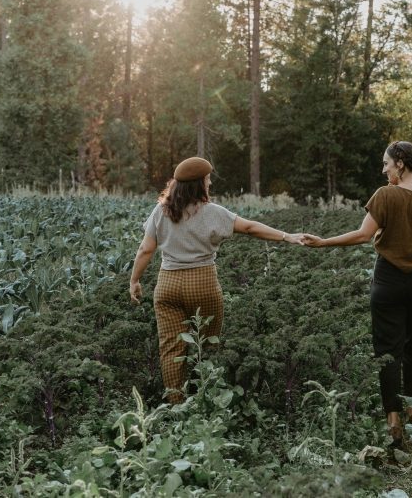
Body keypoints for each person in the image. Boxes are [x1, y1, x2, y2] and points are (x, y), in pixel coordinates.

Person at [303, 141, 412, 447]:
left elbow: (363, 235)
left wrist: (323, 242)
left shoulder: (384, 195)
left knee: (388, 353)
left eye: (386, 163)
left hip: (388, 281)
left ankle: (393, 421)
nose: (383, 170)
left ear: (400, 163)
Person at [130, 157, 305, 404]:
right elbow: (251, 228)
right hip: (202, 283)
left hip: (167, 284)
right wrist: (287, 236)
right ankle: (206, 400)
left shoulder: (161, 211)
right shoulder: (213, 213)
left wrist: (134, 281)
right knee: (209, 345)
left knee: (171, 349)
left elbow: (145, 250)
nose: (210, 182)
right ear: (199, 184)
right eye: (208, 178)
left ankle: (176, 407)